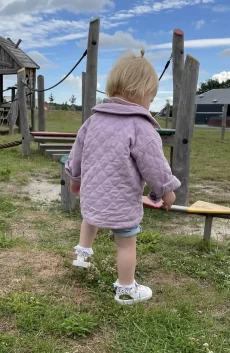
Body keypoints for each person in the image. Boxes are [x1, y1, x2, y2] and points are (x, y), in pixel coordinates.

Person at [65, 49, 181, 305]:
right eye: (151, 97)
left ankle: (82, 254)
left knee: (90, 217)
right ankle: (126, 289)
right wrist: (166, 190)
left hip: (92, 193)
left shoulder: (93, 120)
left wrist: (75, 178)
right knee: (126, 244)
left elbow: (78, 152)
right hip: (121, 199)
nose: (151, 102)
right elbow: (155, 165)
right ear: (142, 93)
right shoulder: (141, 126)